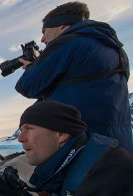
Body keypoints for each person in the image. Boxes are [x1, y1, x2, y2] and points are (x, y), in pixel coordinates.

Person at [15, 2, 132, 151]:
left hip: (83, 143)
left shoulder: (68, 43)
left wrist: (31, 67)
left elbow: (27, 86)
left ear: (62, 26)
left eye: (45, 31)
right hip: (119, 142)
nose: (43, 39)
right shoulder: (117, 50)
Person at [16, 101, 133, 195]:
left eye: (29, 128)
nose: (20, 138)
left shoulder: (110, 173)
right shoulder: (69, 165)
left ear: (61, 134)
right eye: (21, 131)